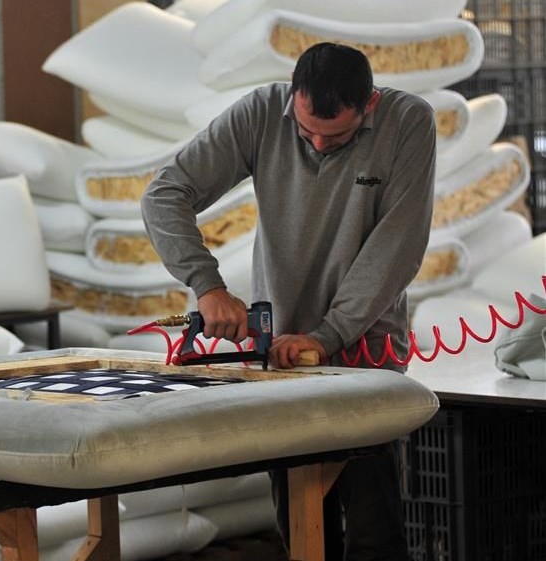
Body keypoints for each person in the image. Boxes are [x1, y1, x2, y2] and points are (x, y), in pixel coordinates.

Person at [141, 43, 435, 560]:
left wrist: (328, 335)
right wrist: (208, 286)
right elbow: (164, 194)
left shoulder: (407, 121)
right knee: (302, 531)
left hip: (364, 351)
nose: (318, 144)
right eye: (305, 131)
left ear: (369, 104)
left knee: (375, 530)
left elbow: (397, 246)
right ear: (292, 99)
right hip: (282, 359)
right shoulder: (260, 113)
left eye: (335, 136)